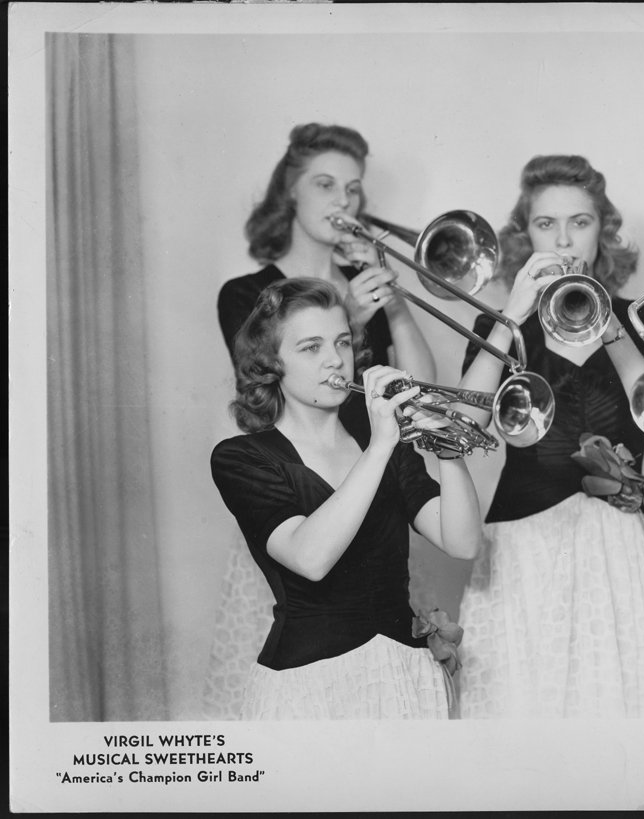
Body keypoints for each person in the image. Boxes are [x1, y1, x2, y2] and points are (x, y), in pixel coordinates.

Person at [204, 123, 437, 719]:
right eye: (325, 184)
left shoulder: (359, 288)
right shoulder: (247, 292)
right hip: (300, 496)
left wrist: (398, 305)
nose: (343, 202)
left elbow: (423, 386)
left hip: (373, 477)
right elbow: (266, 389)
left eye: (353, 190)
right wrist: (352, 326)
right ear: (290, 194)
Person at [454, 155, 644, 718]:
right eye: (545, 225)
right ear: (524, 236)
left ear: (602, 231)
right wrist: (510, 316)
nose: (563, 240)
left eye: (580, 223)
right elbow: (464, 430)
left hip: (618, 546)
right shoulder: (501, 326)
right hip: (521, 547)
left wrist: (610, 326)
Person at [210, 278, 482, 719]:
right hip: (310, 688)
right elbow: (310, 558)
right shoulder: (242, 459)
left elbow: (463, 542)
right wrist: (378, 447)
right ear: (270, 363)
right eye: (311, 348)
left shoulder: (388, 447)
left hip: (403, 677)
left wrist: (448, 449)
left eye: (342, 342)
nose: (336, 359)